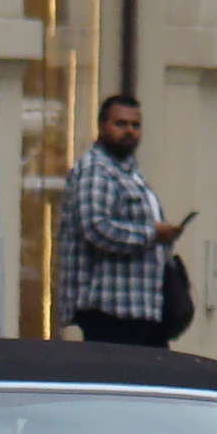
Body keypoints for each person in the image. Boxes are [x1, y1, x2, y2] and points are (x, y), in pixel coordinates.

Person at [58, 95, 184, 347]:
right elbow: (96, 228)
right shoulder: (96, 171)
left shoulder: (128, 172)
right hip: (109, 311)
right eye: (120, 124)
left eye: (135, 126)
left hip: (141, 308)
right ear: (102, 126)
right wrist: (152, 235)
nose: (129, 131)